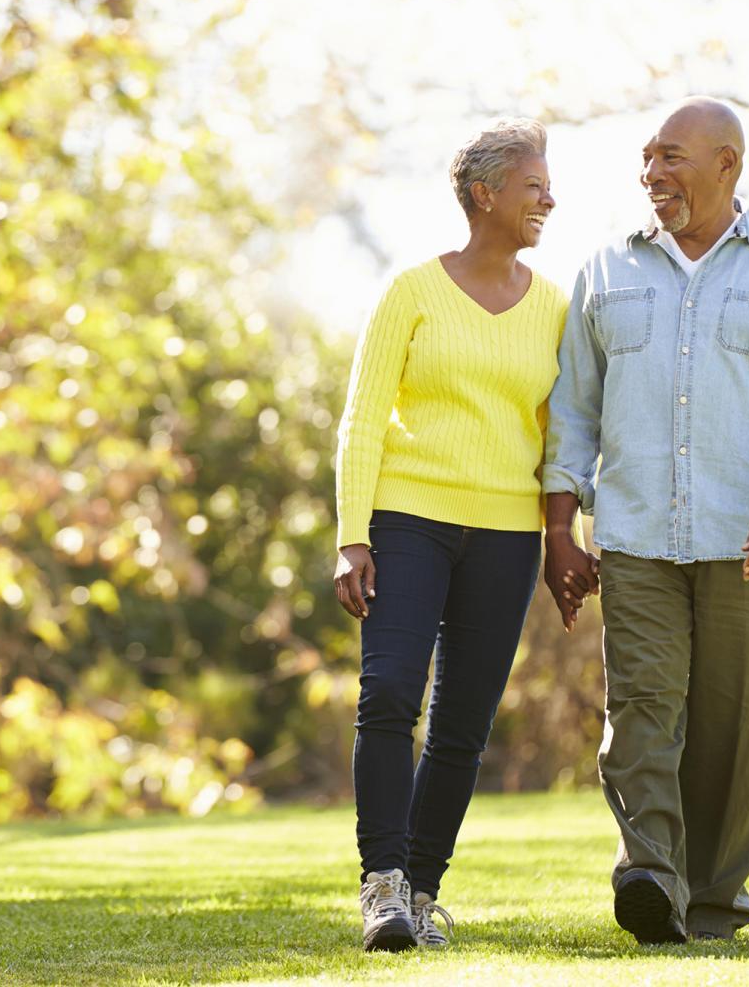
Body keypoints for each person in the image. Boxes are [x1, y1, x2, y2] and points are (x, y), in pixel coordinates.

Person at [541, 97, 749, 944]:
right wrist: (560, 529)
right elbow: (573, 409)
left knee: (737, 727)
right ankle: (649, 875)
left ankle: (711, 900)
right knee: (641, 708)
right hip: (636, 537)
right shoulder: (607, 271)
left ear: (727, 164)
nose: (652, 175)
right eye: (646, 159)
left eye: (671, 157)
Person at [332, 118, 567, 952]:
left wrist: (563, 535)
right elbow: (362, 420)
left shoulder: (553, 308)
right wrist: (351, 536)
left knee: (464, 721)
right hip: (408, 518)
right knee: (391, 691)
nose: (549, 197)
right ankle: (383, 885)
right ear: (484, 194)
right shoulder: (411, 293)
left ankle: (423, 894)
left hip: (505, 533)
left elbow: (558, 434)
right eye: (534, 184)